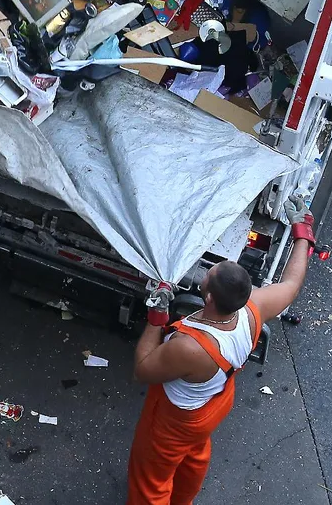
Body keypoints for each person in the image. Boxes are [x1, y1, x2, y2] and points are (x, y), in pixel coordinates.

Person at [126, 205, 318, 505]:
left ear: (210, 297)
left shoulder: (191, 348)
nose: (204, 274)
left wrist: (156, 317)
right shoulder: (254, 308)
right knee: (193, 457)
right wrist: (302, 231)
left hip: (175, 419)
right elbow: (291, 285)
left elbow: (143, 369)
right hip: (214, 403)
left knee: (152, 478)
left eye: (208, 275)